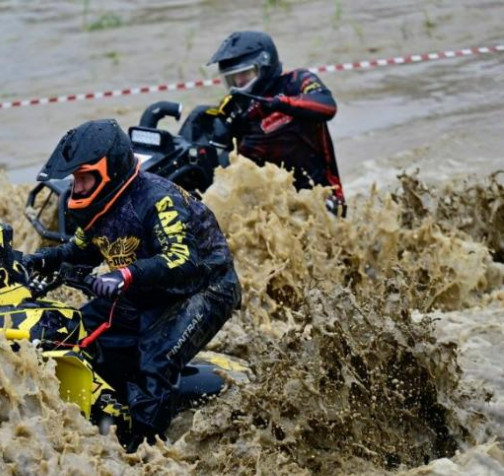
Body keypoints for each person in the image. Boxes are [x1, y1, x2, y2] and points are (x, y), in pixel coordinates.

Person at [22, 119, 241, 450]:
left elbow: (184, 260)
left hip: (205, 287)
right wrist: (37, 261)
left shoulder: (157, 200)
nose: (77, 188)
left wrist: (125, 275)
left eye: (84, 179)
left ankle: (143, 454)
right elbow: (78, 250)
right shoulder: (98, 208)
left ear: (108, 171)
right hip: (147, 287)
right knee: (72, 331)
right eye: (75, 179)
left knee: (154, 360)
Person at [206, 31, 346, 217]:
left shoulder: (297, 81)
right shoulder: (235, 110)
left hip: (323, 195)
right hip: (272, 206)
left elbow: (328, 106)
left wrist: (282, 103)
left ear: (264, 66)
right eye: (233, 78)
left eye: (245, 74)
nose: (238, 83)